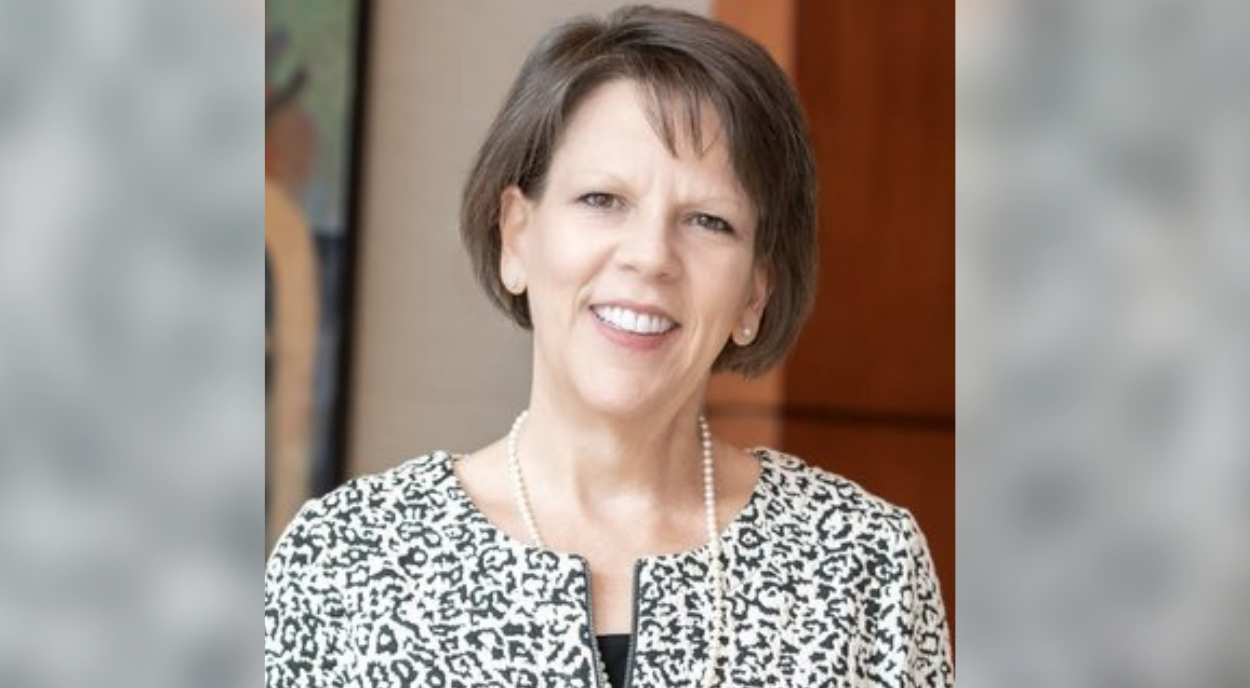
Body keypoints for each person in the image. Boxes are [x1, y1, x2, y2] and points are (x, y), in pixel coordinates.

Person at [265, 5, 953, 687]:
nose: (650, 256)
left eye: (709, 221)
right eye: (602, 200)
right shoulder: (345, 557)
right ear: (516, 236)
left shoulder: (868, 564)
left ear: (756, 291)